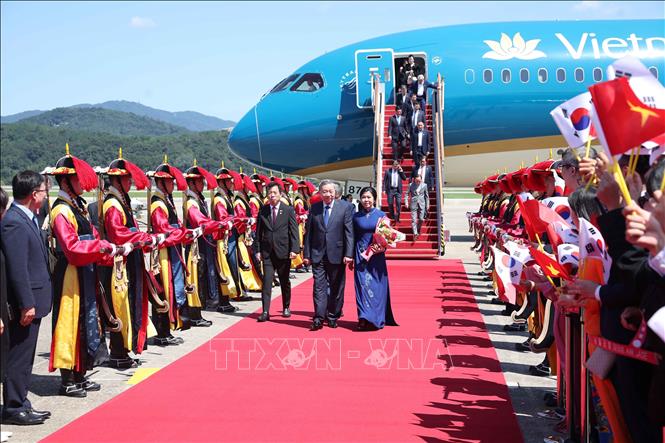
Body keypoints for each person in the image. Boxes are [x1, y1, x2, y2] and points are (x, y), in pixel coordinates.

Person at [47, 149, 123, 398]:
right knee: (70, 324)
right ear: (66, 181)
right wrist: (100, 247)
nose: (83, 183)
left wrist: (106, 249)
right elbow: (71, 247)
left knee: (87, 322)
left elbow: (92, 234)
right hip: (70, 273)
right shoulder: (61, 210)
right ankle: (67, 379)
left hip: (85, 270)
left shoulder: (76, 206)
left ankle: (81, 373)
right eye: (78, 179)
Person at [1, 171, 52, 425]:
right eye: (44, 191)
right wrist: (26, 303)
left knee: (26, 356)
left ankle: (22, 401)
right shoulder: (14, 221)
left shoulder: (27, 217)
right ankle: (13, 407)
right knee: (19, 357)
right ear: (34, 194)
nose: (45, 195)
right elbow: (17, 268)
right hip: (27, 303)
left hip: (35, 299)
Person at [102, 150, 162, 366]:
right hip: (119, 266)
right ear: (117, 180)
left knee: (129, 306)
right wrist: (145, 237)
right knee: (120, 307)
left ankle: (124, 349)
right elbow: (118, 233)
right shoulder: (112, 203)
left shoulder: (121, 200)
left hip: (129, 262)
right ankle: (117, 352)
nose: (130, 183)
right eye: (127, 179)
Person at [183, 162, 232, 325]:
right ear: (191, 183)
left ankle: (202, 306)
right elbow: (199, 221)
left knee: (204, 275)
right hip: (195, 247)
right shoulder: (191, 202)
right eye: (199, 181)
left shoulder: (198, 199)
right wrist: (218, 224)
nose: (203, 184)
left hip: (203, 243)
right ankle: (194, 313)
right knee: (196, 278)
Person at [303, 180, 354, 330]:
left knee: (336, 287)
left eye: (330, 191)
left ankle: (332, 315)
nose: (328, 194)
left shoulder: (346, 207)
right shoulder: (315, 208)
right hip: (318, 254)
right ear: (320, 193)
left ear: (335, 192)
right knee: (318, 287)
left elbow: (349, 233)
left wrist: (349, 253)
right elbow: (309, 233)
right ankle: (318, 317)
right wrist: (307, 254)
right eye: (324, 191)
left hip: (337, 254)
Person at [353, 187, 398, 330]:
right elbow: (352, 237)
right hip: (360, 255)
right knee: (361, 286)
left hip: (376, 256)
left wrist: (380, 244)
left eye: (369, 197)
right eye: (363, 197)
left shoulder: (381, 216)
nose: (366, 200)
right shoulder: (355, 216)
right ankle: (363, 317)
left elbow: (386, 237)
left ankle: (376, 317)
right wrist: (349, 256)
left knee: (376, 287)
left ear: (374, 199)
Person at [255, 182, 300, 321]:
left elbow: (294, 231)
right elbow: (258, 233)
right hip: (267, 252)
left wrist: (294, 249)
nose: (272, 195)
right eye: (269, 193)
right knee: (267, 282)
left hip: (283, 251)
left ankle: (286, 306)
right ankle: (265, 311)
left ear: (280, 194)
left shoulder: (288, 210)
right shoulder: (263, 211)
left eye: (274, 193)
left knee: (284, 280)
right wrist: (257, 250)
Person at [409, 175, 429, 240]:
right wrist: (406, 202)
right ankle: (415, 233)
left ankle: (418, 229)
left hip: (422, 204)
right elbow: (406, 194)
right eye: (417, 181)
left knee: (421, 219)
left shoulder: (424, 185)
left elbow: (426, 196)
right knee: (414, 220)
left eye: (419, 181)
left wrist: (427, 205)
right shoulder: (411, 185)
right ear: (414, 180)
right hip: (413, 204)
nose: (418, 182)